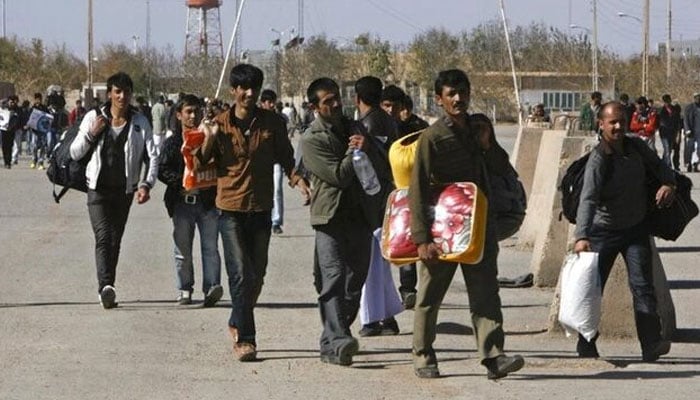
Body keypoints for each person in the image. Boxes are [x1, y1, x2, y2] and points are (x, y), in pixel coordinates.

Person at [409, 69, 524, 380]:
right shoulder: (432, 138)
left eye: (463, 92)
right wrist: (422, 239)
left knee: (486, 292)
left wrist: (487, 144)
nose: (459, 99)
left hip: (478, 227)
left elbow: (502, 169)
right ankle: (423, 355)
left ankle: (494, 356)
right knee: (430, 295)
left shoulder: (478, 128)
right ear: (439, 100)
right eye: (451, 94)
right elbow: (417, 188)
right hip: (443, 230)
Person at [194, 64, 310, 362]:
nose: (248, 94)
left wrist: (298, 181)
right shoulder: (219, 123)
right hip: (229, 208)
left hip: (261, 208)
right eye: (243, 88)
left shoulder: (272, 123)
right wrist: (209, 136)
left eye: (253, 88)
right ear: (233, 91)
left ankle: (237, 318)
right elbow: (200, 164)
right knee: (240, 274)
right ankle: (246, 339)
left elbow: (285, 156)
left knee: (257, 276)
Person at [573, 101, 676, 362]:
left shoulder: (637, 147)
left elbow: (663, 168)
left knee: (643, 287)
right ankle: (586, 344)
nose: (618, 126)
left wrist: (669, 184)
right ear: (601, 124)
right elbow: (588, 198)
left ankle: (651, 344)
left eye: (621, 121)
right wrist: (582, 236)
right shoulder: (599, 158)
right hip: (602, 233)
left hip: (635, 230)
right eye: (612, 122)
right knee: (593, 290)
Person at [301, 77, 391, 366]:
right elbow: (337, 176)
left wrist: (369, 148)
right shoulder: (312, 139)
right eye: (328, 101)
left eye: (337, 97)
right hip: (330, 217)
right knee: (333, 279)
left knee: (356, 282)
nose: (337, 104)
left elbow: (382, 164)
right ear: (315, 106)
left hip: (360, 216)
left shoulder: (356, 128)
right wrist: (355, 152)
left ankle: (332, 339)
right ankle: (340, 340)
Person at [69, 71, 158, 309]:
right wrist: (91, 133)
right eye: (117, 92)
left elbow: (152, 157)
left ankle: (109, 286)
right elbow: (75, 153)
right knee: (103, 237)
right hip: (97, 190)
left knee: (115, 240)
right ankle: (105, 287)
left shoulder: (140, 122)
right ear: (109, 94)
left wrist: (146, 184)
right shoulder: (93, 117)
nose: (122, 96)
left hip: (124, 191)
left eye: (126, 92)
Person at [157, 94, 222, 307]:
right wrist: (181, 180)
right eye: (188, 112)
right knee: (182, 250)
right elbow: (162, 169)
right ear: (179, 115)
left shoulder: (209, 138)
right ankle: (184, 288)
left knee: (210, 248)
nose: (193, 116)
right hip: (182, 204)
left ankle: (212, 287)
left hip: (208, 203)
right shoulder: (173, 143)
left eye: (196, 111)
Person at [353, 76, 400, 336]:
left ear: (356, 98)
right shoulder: (389, 121)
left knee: (369, 262)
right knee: (379, 261)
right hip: (385, 198)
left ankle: (371, 319)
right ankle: (387, 317)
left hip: (372, 200)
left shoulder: (365, 126)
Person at [259, 89, 286, 234]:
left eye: (272, 102)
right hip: (261, 161)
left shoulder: (279, 120)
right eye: (268, 102)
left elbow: (284, 143)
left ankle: (276, 221)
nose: (271, 105)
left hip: (276, 161)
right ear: (262, 103)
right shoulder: (256, 119)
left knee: (277, 190)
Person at [657, 94, 682, 168]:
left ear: (670, 100)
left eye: (668, 101)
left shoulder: (675, 110)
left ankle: (665, 164)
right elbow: (661, 123)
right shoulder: (661, 111)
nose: (667, 103)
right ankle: (668, 166)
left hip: (673, 133)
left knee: (671, 150)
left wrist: (678, 133)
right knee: (667, 149)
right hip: (664, 133)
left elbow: (678, 122)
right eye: (665, 101)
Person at [29, 92, 49, 170]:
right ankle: (34, 160)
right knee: (34, 145)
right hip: (34, 130)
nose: (38, 101)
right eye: (36, 99)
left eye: (39, 99)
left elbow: (48, 117)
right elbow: (29, 118)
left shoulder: (44, 108)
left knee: (43, 146)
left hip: (42, 130)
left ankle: (41, 162)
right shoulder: (32, 108)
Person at [1, 95, 21, 169]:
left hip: (12, 130)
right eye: (11, 102)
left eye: (13, 102)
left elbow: (19, 118)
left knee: (10, 146)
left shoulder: (17, 109)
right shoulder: (3, 107)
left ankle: (8, 163)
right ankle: (6, 161)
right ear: (8, 101)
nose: (12, 104)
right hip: (3, 129)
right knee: (4, 146)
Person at [683, 93, 700, 172]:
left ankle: (695, 164)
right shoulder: (689, 108)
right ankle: (688, 163)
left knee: (699, 149)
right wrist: (687, 130)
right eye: (697, 98)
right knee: (690, 148)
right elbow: (685, 119)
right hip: (691, 133)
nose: (698, 99)